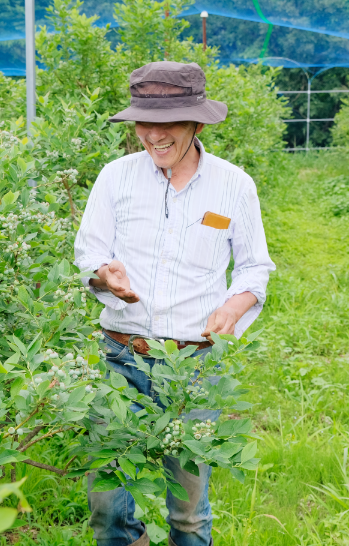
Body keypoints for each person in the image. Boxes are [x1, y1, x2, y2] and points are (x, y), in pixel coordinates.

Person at [74, 61, 275, 546]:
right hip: (121, 356)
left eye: (169, 124)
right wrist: (105, 275)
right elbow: (90, 251)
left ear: (197, 123)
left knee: (188, 509)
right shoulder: (116, 177)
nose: (154, 135)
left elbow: (254, 269)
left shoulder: (233, 185)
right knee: (106, 503)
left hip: (194, 367)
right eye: (145, 122)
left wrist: (232, 308)